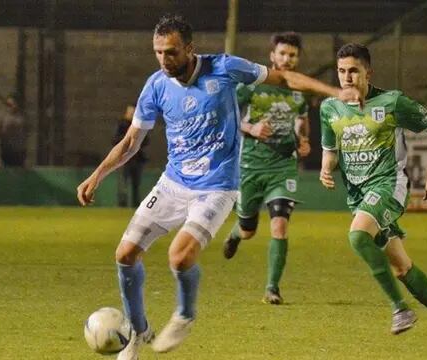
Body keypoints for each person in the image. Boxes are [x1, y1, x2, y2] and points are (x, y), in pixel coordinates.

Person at [76, 14, 361, 360]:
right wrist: (97, 175)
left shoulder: (224, 68)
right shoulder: (156, 85)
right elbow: (131, 141)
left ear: (189, 49)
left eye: (171, 52)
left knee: (179, 257)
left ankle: (184, 314)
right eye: (158, 53)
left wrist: (336, 92)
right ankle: (137, 331)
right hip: (173, 183)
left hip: (217, 186)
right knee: (124, 255)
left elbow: (283, 77)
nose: (164, 60)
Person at [319, 43, 427, 351]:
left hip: (390, 184)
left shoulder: (391, 101)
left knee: (358, 236)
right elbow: (330, 149)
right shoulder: (330, 107)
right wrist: (325, 170)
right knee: (401, 268)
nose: (346, 77)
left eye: (353, 71)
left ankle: (400, 309)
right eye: (342, 71)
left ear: (368, 72)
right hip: (358, 195)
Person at [221, 32, 310, 305]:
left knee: (280, 226)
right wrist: (250, 127)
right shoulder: (253, 85)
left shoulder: (299, 90)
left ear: (298, 58)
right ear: (272, 56)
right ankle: (236, 233)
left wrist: (303, 141)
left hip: (283, 167)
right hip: (250, 165)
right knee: (249, 229)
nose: (287, 59)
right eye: (282, 53)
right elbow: (226, 114)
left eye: (292, 55)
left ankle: (272, 288)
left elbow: (301, 121)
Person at [113, 104, 150, 207]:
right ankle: (122, 205)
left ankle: (135, 205)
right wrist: (129, 140)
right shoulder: (121, 125)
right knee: (123, 184)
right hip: (124, 159)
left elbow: (146, 141)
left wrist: (136, 141)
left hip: (137, 160)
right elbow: (115, 140)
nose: (132, 114)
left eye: (134, 112)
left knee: (136, 185)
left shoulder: (140, 125)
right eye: (130, 112)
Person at [0, 95, 26, 167]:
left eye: (12, 104)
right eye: (8, 105)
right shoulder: (3, 116)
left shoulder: (21, 116)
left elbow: (26, 130)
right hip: (7, 150)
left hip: (19, 150)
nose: (10, 107)